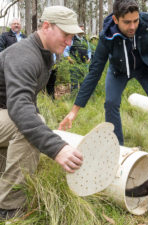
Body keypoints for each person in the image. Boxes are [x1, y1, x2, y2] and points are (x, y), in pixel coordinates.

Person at [0, 6, 84, 220]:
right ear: (46, 26)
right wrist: (56, 148)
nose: (68, 42)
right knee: (29, 124)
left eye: (72, 36)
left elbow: (25, 100)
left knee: (30, 124)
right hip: (5, 111)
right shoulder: (25, 55)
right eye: (65, 35)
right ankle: (9, 209)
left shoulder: (43, 54)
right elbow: (19, 107)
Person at [59, 0, 148, 151]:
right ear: (115, 19)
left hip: (146, 68)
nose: (132, 27)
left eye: (135, 21)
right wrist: (74, 111)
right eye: (127, 22)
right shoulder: (106, 35)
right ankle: (117, 149)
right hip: (118, 70)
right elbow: (94, 73)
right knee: (111, 103)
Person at [63, 24, 92, 92]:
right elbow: (65, 50)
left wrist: (89, 58)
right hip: (74, 64)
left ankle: (81, 98)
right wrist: (69, 58)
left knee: (83, 82)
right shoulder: (72, 39)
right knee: (74, 82)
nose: (81, 31)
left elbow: (89, 50)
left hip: (83, 65)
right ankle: (73, 97)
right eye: (80, 29)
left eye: (82, 29)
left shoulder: (85, 40)